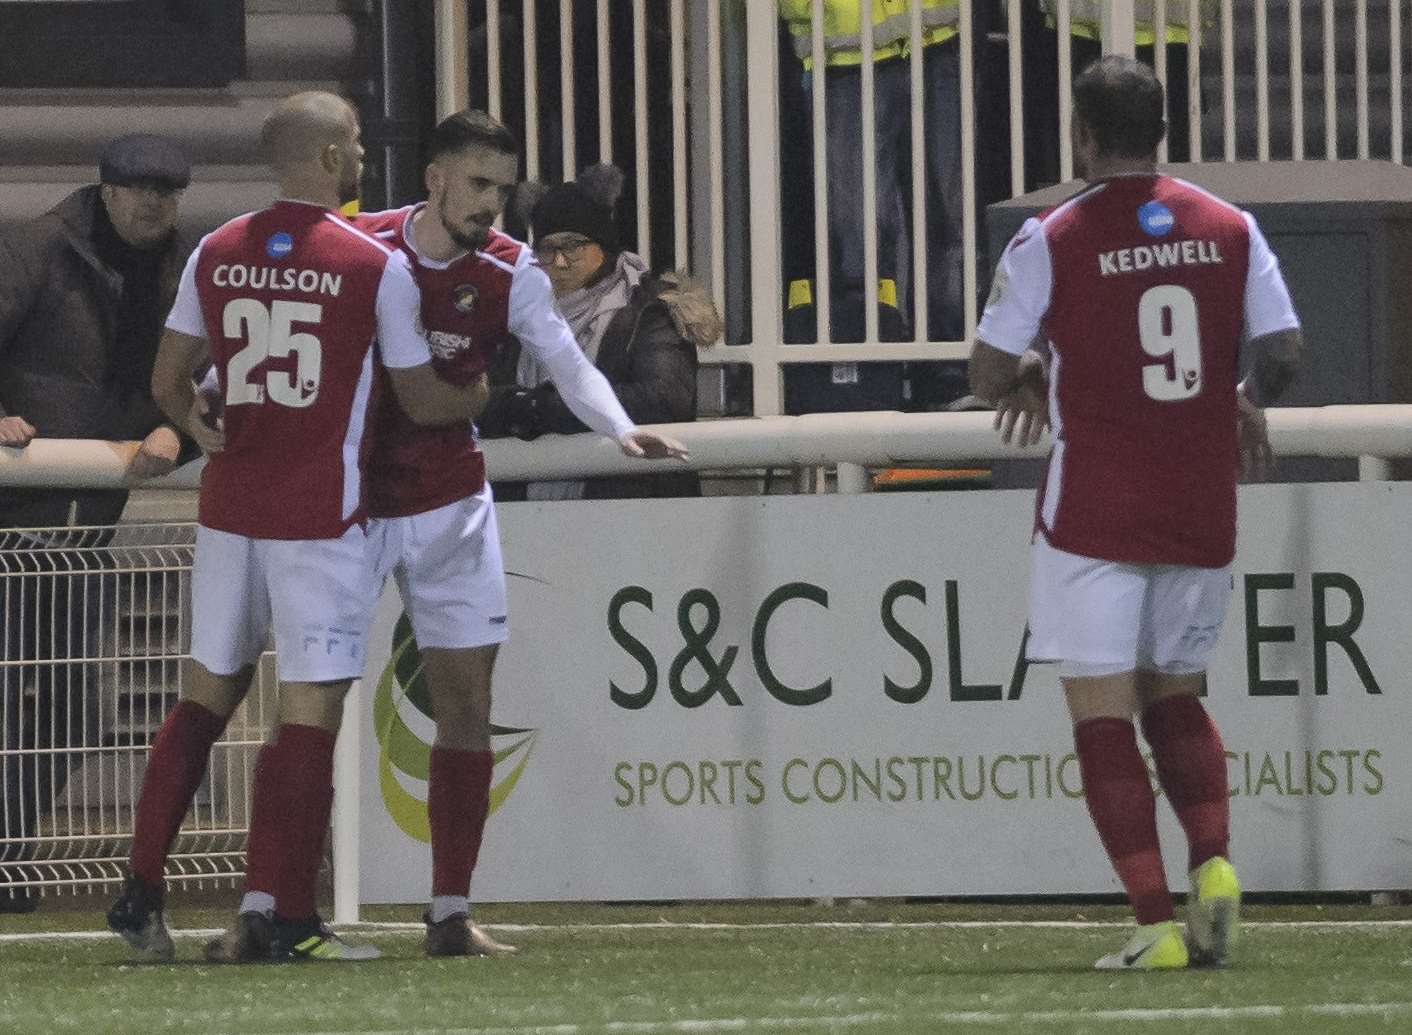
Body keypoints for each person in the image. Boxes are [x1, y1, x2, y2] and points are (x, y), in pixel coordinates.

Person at [106, 91, 491, 963]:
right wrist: (479, 389)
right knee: (309, 707)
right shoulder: (370, 263)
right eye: (354, 142)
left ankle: (140, 889)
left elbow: (168, 378)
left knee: (205, 694)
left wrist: (198, 424)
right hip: (319, 514)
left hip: (231, 506)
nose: (362, 155)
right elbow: (422, 396)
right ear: (326, 158)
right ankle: (276, 915)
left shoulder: (217, 246)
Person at [968, 56, 1301, 970]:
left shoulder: (1055, 234)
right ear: (1162, 131)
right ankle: (1218, 864)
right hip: (1199, 499)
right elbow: (1285, 351)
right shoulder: (1228, 225)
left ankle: (1155, 923)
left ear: (1080, 132)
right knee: (1178, 694)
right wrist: (1240, 393)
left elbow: (987, 375)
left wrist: (1039, 369)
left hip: (1095, 513)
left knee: (1103, 713)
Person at [352, 114, 686, 956]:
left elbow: (567, 363)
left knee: (468, 705)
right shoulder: (364, 246)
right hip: (349, 504)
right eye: (478, 185)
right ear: (433, 177)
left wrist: (618, 428)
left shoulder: (509, 270)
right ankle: (276, 906)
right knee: (311, 701)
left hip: (451, 506)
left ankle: (449, 911)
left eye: (504, 188)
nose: (493, 206)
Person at [0, 134, 195, 912]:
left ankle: (7, 851)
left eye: (168, 191)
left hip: (82, 534)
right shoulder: (37, 247)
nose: (154, 202)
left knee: (75, 709)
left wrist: (174, 431)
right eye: (139, 188)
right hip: (13, 523)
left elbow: (194, 380)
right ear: (106, 190)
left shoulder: (183, 272)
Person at [481, 163, 719, 500]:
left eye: (574, 246)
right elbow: (475, 398)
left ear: (603, 247)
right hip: (524, 515)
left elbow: (662, 401)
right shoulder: (516, 312)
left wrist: (538, 408)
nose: (560, 262)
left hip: (628, 509)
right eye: (548, 249)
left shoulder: (648, 310)